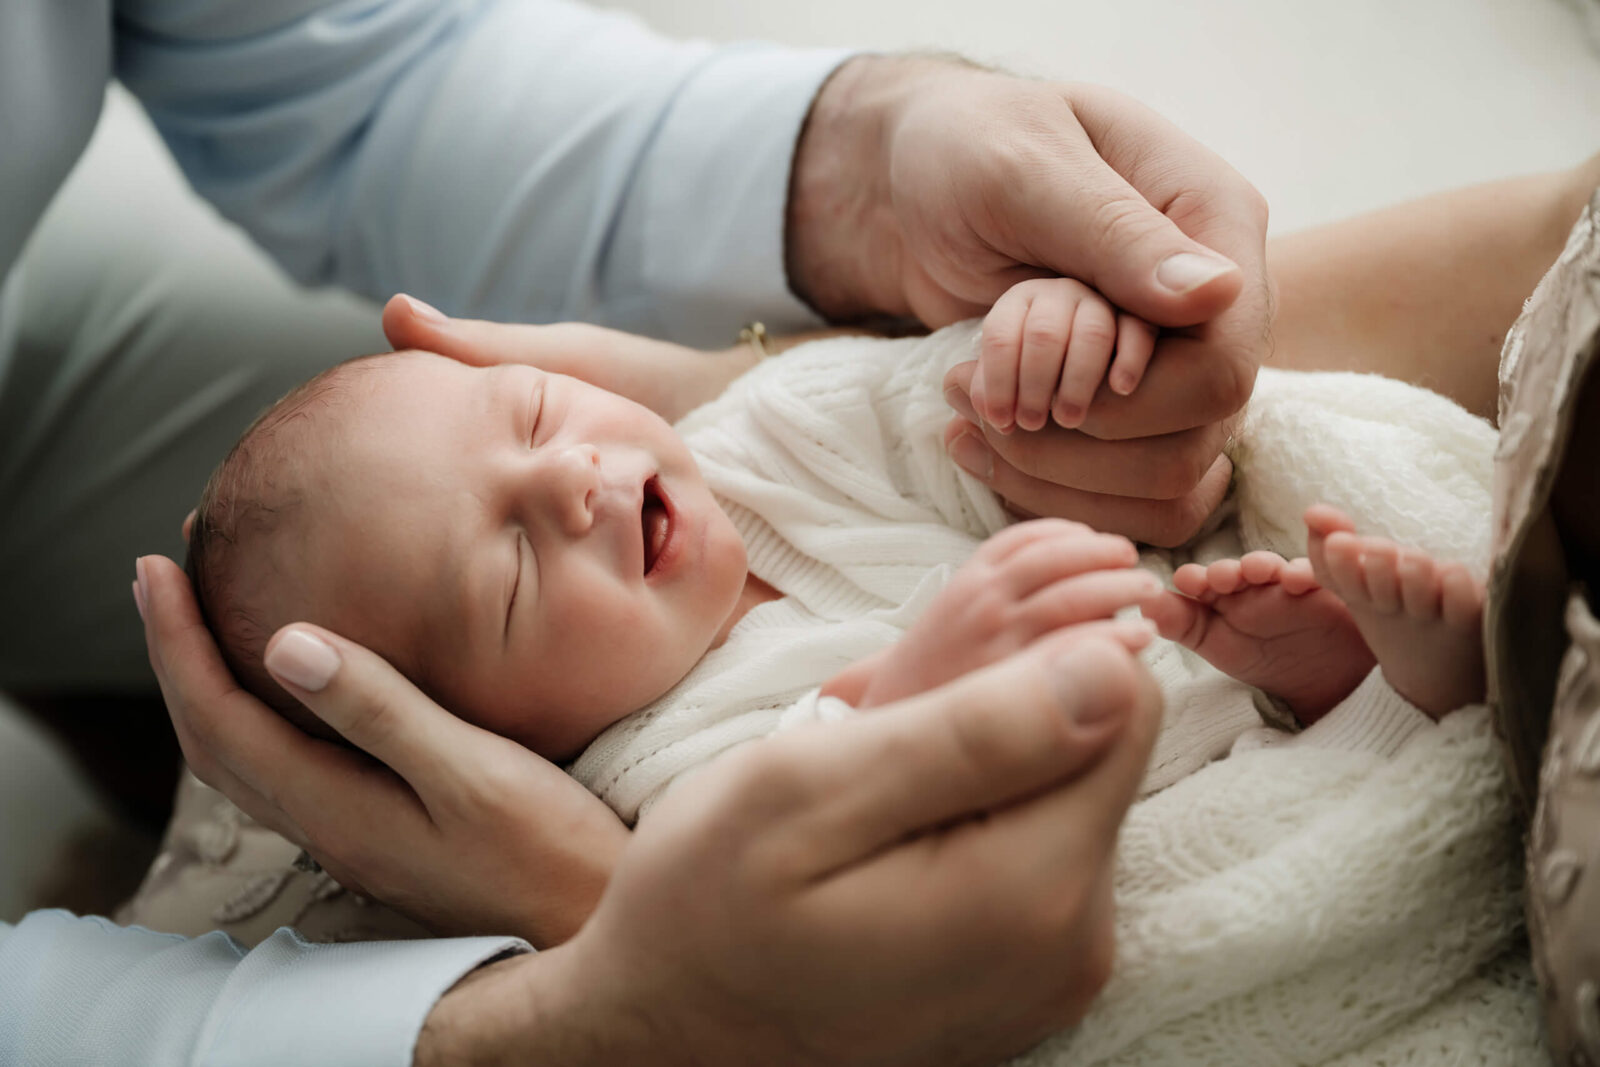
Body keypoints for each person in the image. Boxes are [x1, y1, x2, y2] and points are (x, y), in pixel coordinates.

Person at [4, 2, 1279, 1061]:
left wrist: (890, 180)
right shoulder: (641, 771)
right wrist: (589, 962)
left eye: (542, 407)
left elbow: (373, 68)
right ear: (484, 741)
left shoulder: (758, 448)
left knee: (361, 465)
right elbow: (786, 831)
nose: (569, 478)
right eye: (505, 573)